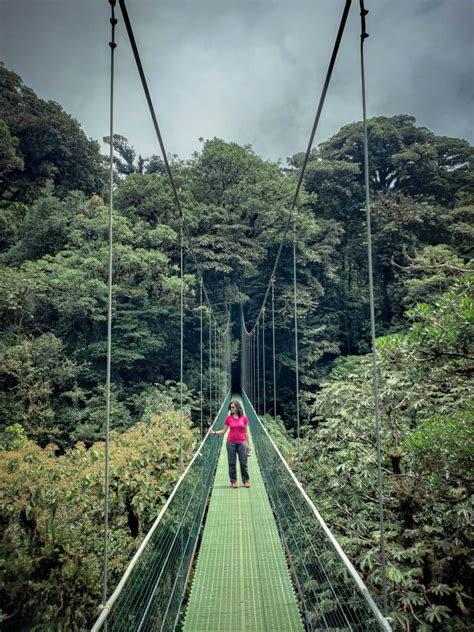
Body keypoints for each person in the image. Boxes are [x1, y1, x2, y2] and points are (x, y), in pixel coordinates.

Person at [210, 400, 251, 488]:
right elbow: (224, 430)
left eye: (232, 407)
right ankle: (233, 481)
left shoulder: (244, 418)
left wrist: (249, 444)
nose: (231, 409)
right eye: (230, 407)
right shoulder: (228, 418)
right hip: (231, 443)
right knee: (232, 463)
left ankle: (246, 481)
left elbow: (246, 432)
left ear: (237, 408)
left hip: (242, 443)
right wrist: (214, 432)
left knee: (243, 463)